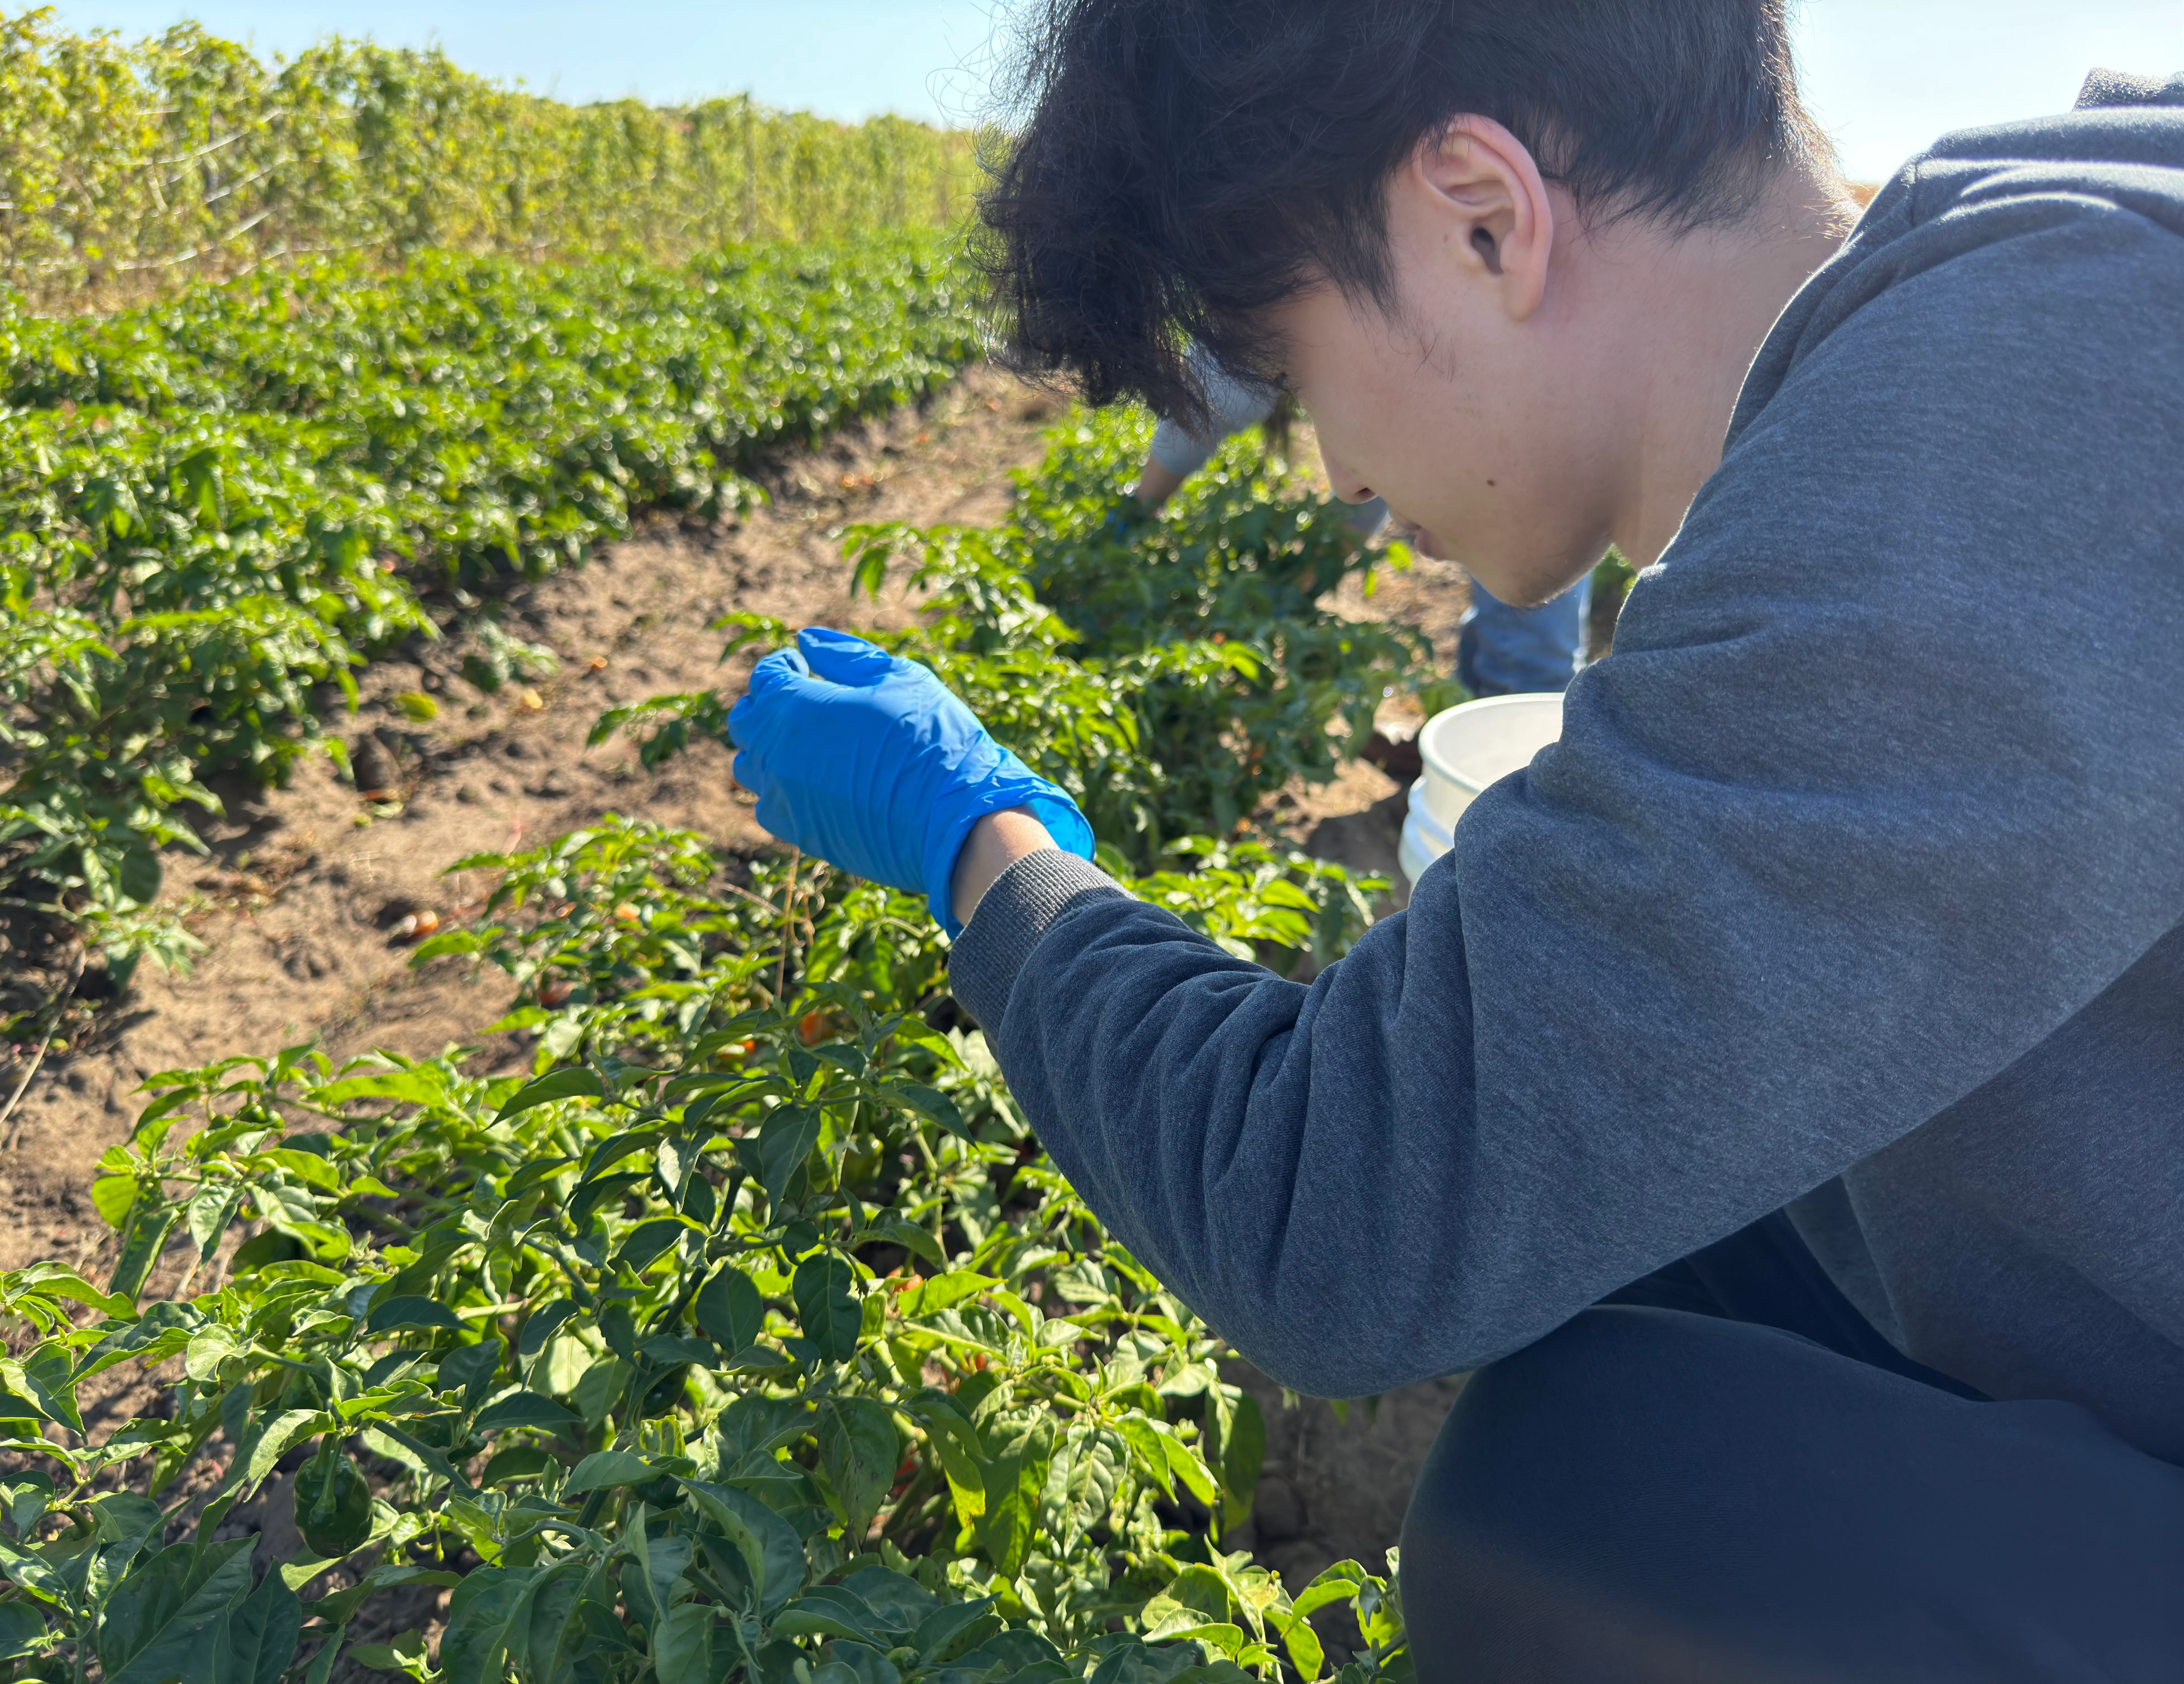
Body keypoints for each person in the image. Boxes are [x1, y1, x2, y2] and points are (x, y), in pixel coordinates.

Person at [727, 1, 2184, 1673]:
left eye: (1301, 375)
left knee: (1581, 1506)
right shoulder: (2032, 302)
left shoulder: (1999, 440)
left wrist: (975, 837)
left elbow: (1333, 1218)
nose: (1340, 472)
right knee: (1648, 1238)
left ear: (1483, 217)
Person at [1132, 341, 1590, 696]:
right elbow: (1370, 465)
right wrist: (1306, 585)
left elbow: (1216, 393)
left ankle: (1509, 761)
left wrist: (1139, 509)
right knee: (1515, 626)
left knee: (1528, 648)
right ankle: (1468, 733)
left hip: (1529, 387)